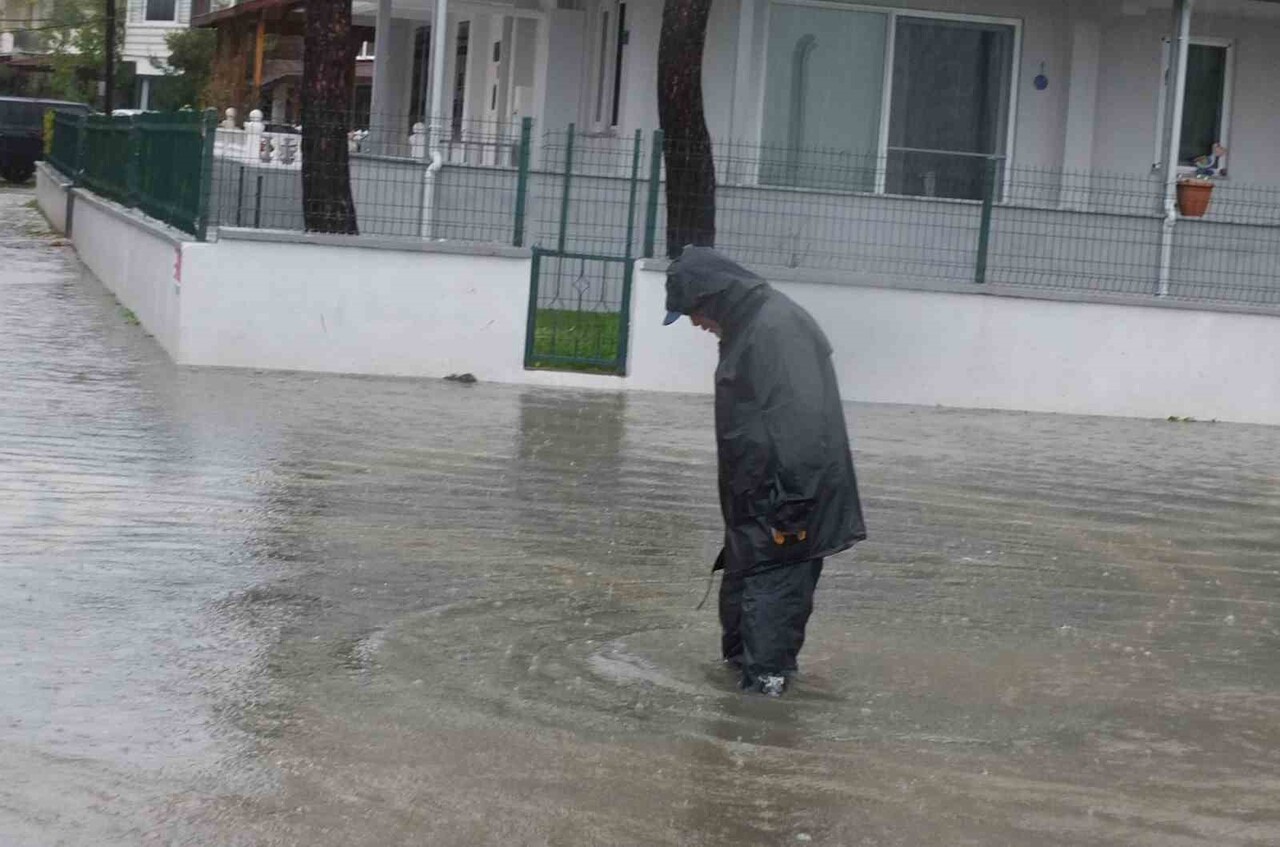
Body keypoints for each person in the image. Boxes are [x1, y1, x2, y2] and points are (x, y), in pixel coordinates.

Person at [664, 247, 866, 697]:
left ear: (714, 298)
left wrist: (790, 511)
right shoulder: (752, 326)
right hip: (758, 513)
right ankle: (743, 716)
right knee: (741, 625)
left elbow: (803, 425)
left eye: (693, 312)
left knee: (767, 636)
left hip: (785, 514)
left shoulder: (775, 330)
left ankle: (763, 739)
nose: (695, 324)